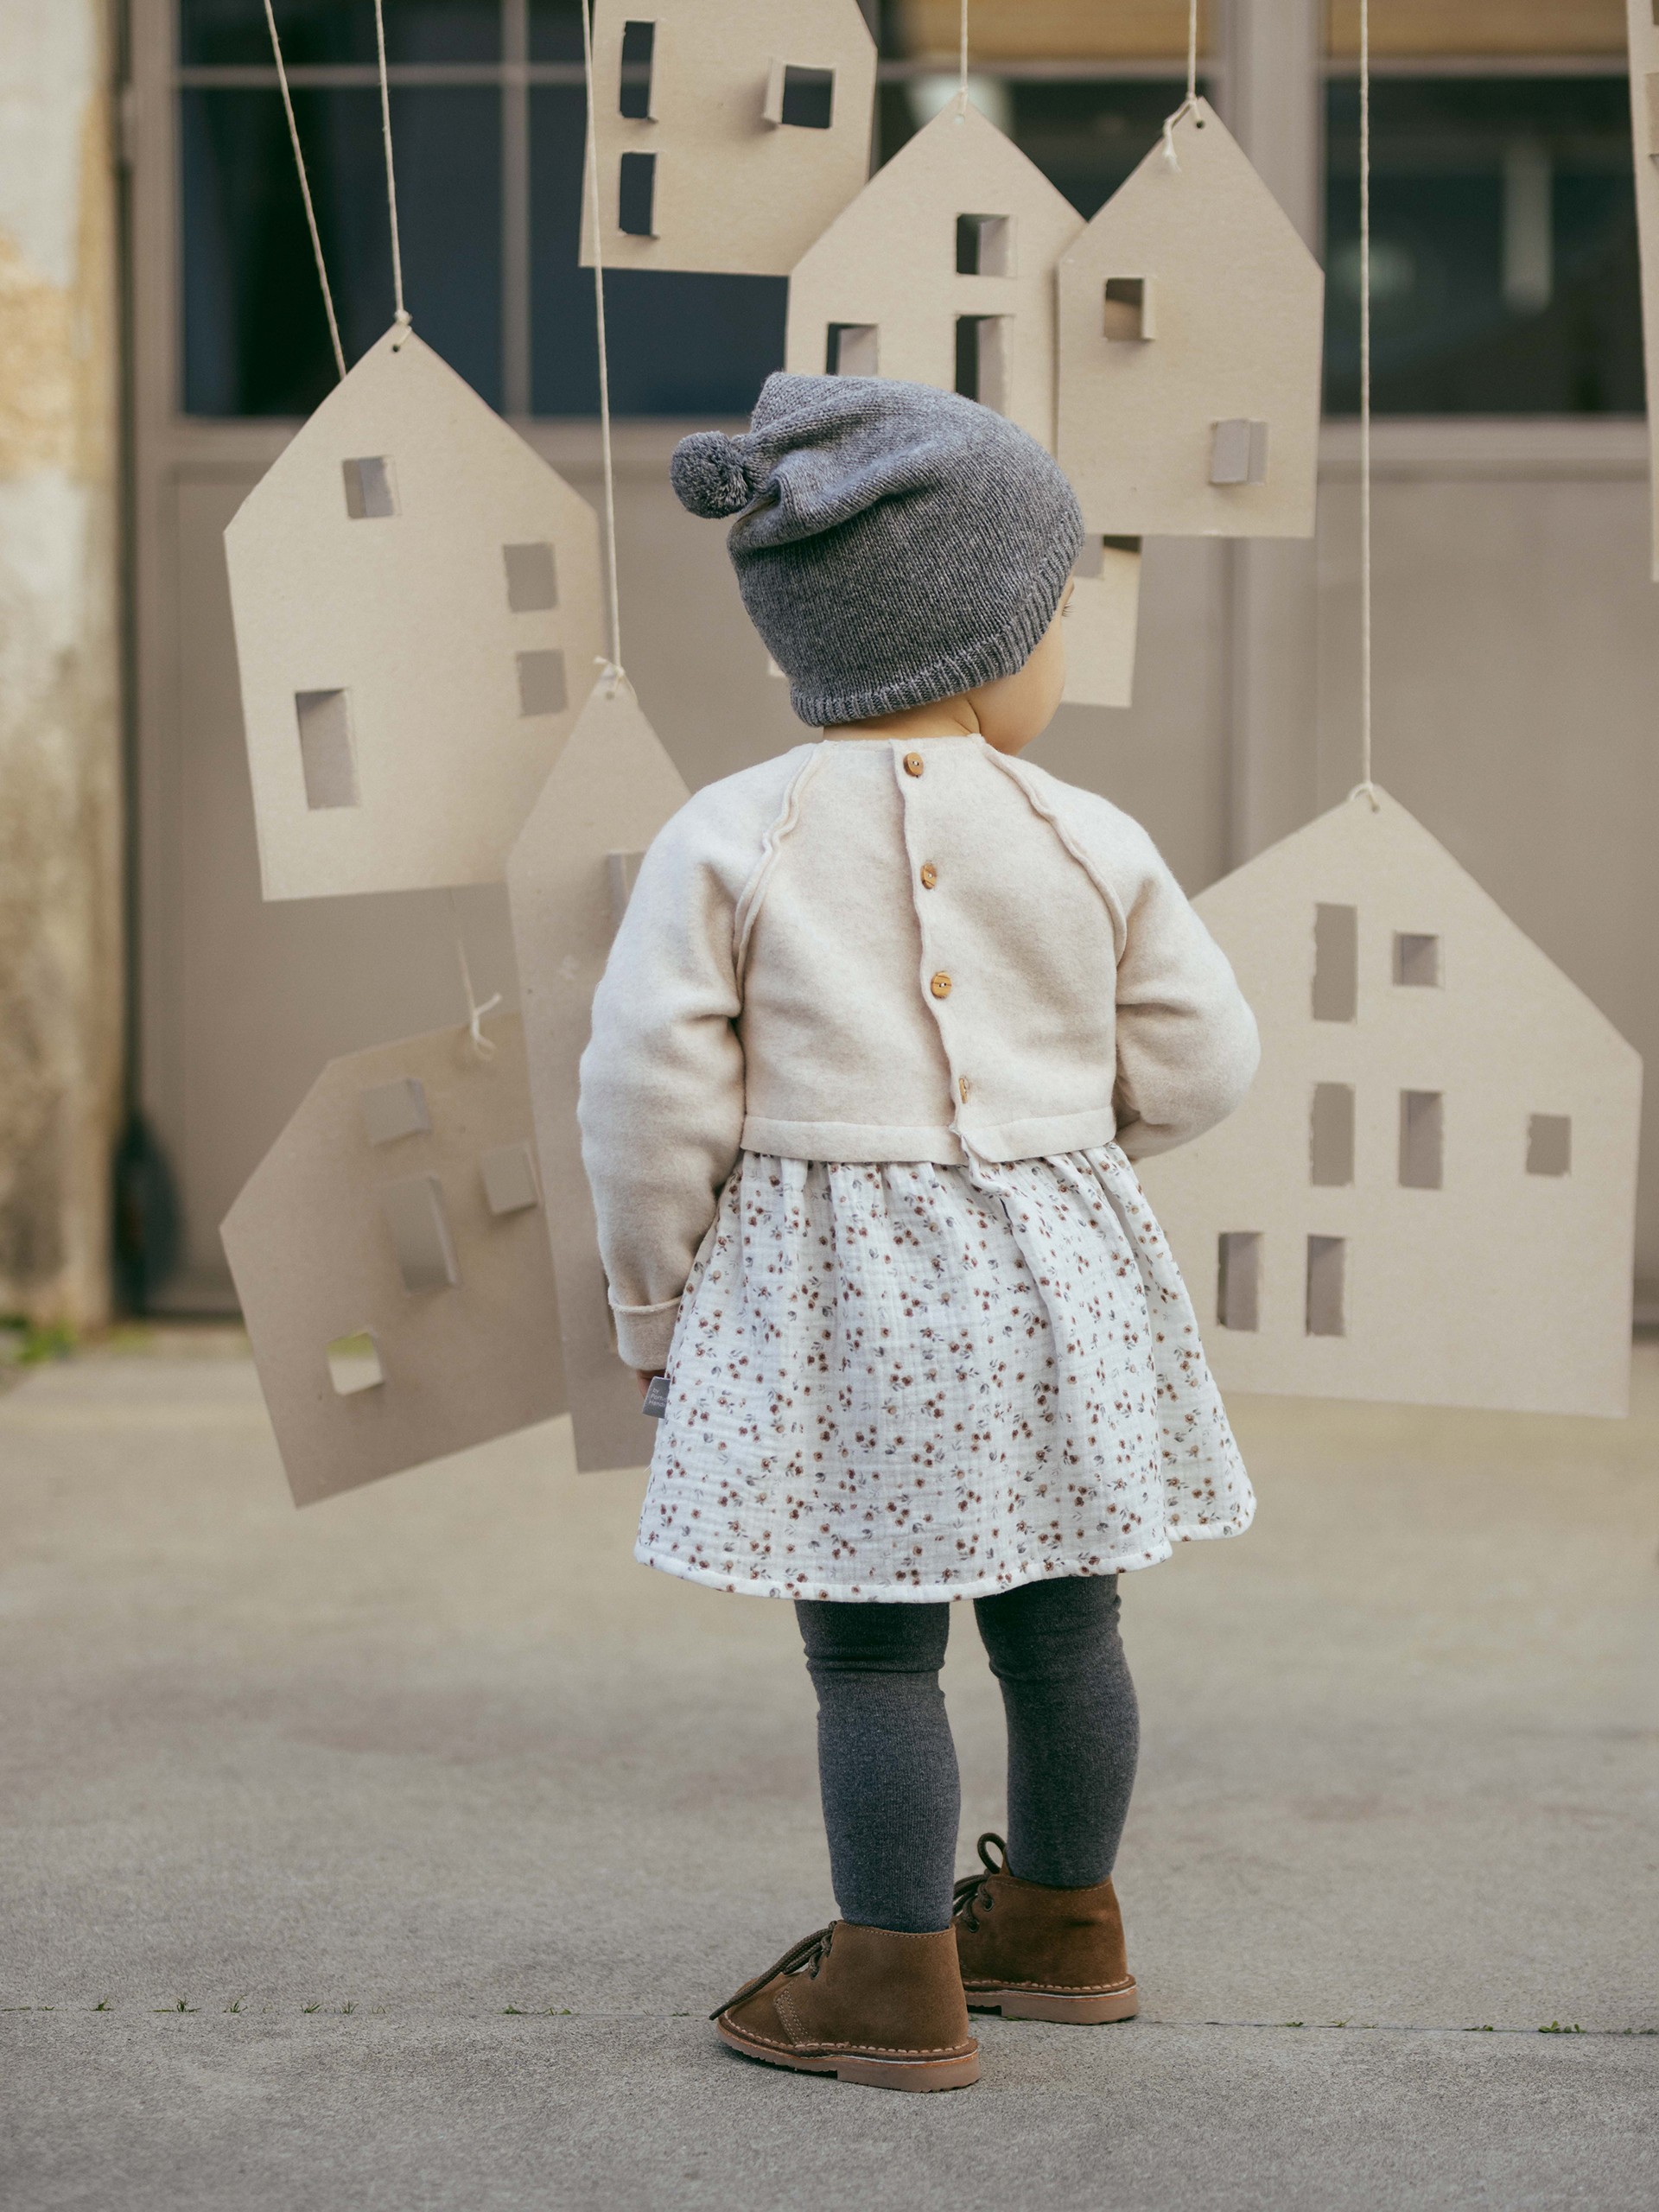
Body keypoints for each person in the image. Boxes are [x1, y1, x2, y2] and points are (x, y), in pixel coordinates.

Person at [577, 374, 1259, 2093]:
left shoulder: (729, 833)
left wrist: (657, 1301)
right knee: (1067, 1624)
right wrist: (1062, 1149)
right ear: (979, 636)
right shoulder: (1084, 832)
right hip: (1055, 1282)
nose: (1063, 651)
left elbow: (645, 1095)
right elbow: (1207, 1060)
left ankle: (891, 1981)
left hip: (835, 1303)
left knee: (873, 1645)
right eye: (1055, 616)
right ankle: (1064, 1923)